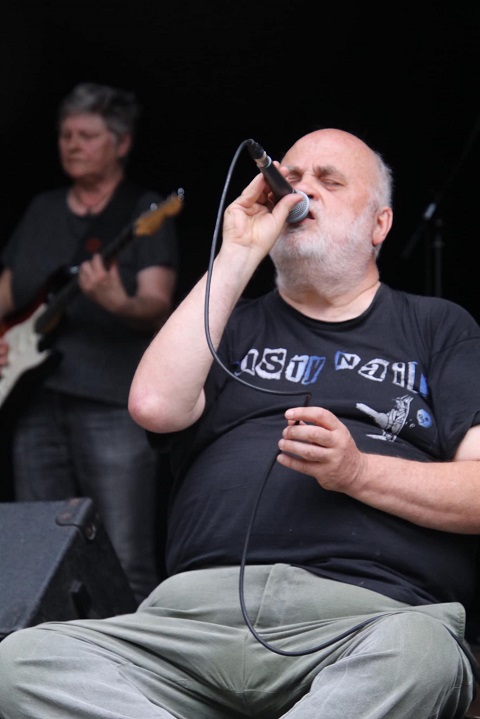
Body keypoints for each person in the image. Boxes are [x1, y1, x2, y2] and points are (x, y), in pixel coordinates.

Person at [0, 127, 479, 719]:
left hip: (365, 621)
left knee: (424, 653)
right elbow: (154, 405)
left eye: (329, 181)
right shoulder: (229, 321)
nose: (301, 190)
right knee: (22, 660)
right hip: (191, 621)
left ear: (379, 224)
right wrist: (239, 250)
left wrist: (357, 473)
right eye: (291, 177)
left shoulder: (438, 327)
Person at [0, 82, 180, 604]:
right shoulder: (42, 209)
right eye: (65, 135)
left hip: (111, 405)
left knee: (124, 552)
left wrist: (116, 301)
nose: (72, 144)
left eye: (86, 135)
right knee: (34, 552)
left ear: (121, 143)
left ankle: (132, 651)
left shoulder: (143, 210)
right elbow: (8, 293)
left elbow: (157, 306)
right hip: (35, 403)